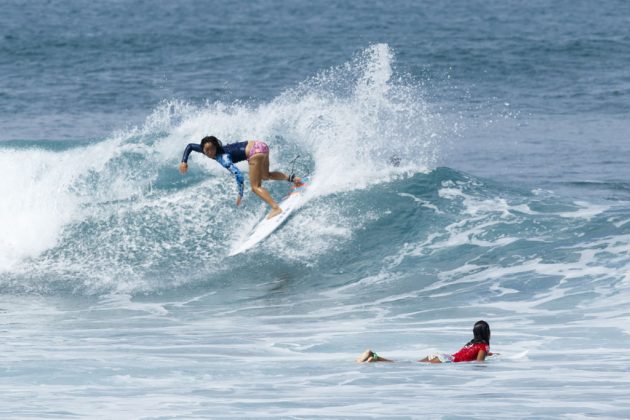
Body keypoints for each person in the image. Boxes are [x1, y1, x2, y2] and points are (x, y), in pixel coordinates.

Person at [179, 136, 302, 219]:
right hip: (261, 145)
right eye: (207, 150)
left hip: (254, 153)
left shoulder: (223, 158)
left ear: (216, 147)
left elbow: (239, 175)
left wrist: (240, 194)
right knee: (266, 175)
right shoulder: (204, 149)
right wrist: (184, 161)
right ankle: (294, 179)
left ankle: (276, 208)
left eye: (212, 149)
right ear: (203, 149)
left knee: (255, 187)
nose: (210, 152)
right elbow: (190, 146)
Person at [356, 320, 493, 363]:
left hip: (442, 356)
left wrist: (490, 354)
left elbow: (468, 354)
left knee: (406, 364)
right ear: (486, 333)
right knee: (403, 366)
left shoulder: (471, 343)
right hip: (446, 361)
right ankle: (374, 358)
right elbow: (479, 363)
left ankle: (373, 355)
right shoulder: (483, 346)